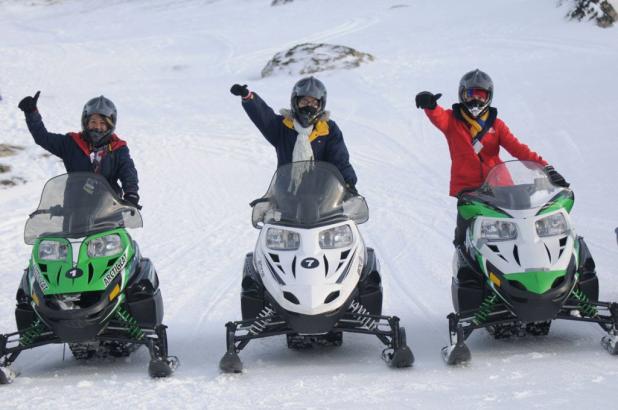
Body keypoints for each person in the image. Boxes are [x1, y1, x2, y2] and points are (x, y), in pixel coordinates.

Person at [414, 69, 569, 247]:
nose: (476, 100)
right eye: (471, 94)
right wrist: (430, 105)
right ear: (462, 95)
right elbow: (438, 117)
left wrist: (546, 168)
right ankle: (465, 271)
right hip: (469, 191)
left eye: (481, 95)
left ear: (489, 97)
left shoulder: (496, 124)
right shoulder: (452, 120)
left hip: (499, 187)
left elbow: (518, 149)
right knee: (463, 237)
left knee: (516, 232)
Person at [229, 76, 358, 194]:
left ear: (321, 105)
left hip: (322, 197)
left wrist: (348, 183)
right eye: (304, 101)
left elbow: (339, 159)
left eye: (314, 103)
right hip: (287, 195)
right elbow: (263, 116)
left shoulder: (329, 129)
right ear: (295, 102)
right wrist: (249, 98)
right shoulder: (282, 126)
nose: (309, 106)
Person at [18, 91, 140, 207]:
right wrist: (31, 113)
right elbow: (42, 137)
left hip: (110, 210)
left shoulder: (118, 149)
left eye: (103, 123)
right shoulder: (71, 143)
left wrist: (131, 193)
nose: (97, 127)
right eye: (93, 121)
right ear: (86, 122)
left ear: (110, 125)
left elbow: (127, 171)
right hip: (75, 212)